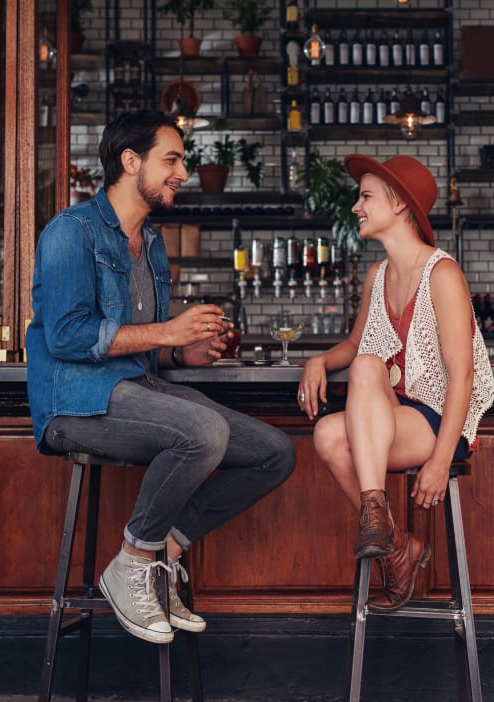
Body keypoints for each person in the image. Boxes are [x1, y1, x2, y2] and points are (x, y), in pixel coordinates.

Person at [26, 111, 297, 644]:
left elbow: (146, 344)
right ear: (131, 162)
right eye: (171, 160)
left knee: (275, 452)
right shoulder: (70, 232)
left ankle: (161, 554)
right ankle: (130, 563)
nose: (182, 173)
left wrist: (185, 352)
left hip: (137, 390)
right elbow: (66, 337)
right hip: (74, 402)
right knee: (202, 431)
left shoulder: (150, 243)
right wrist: (167, 333)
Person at [297, 154, 494, 611]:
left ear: (400, 205)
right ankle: (396, 540)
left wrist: (441, 462)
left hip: (439, 419)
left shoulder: (443, 274)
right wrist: (319, 361)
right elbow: (354, 342)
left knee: (366, 368)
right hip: (394, 414)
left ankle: (383, 531)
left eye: (365, 197)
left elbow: (462, 376)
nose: (356, 207)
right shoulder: (378, 275)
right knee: (327, 431)